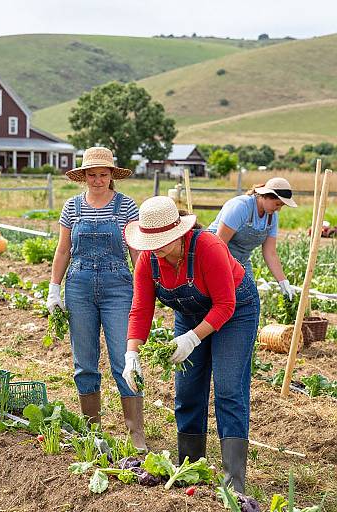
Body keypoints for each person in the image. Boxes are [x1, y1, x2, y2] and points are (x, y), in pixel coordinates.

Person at [122, 196, 260, 493]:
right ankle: (190, 470)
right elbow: (140, 309)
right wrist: (131, 353)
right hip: (190, 315)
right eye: (150, 239)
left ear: (179, 231)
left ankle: (233, 483)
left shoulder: (207, 247)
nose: (156, 245)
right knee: (187, 391)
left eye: (162, 238)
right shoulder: (148, 260)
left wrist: (193, 338)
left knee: (228, 389)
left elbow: (225, 304)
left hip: (236, 310)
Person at [46, 146, 146, 450]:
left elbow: (136, 252)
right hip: (79, 286)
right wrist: (53, 287)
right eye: (92, 174)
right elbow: (63, 250)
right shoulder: (72, 207)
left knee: (123, 358)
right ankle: (92, 430)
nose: (98, 180)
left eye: (103, 175)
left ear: (112, 176)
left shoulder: (127, 207)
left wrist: (145, 293)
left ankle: (136, 432)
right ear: (84, 176)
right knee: (84, 361)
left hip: (118, 286)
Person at [207, 177, 297, 299]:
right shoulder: (241, 207)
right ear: (265, 195)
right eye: (277, 204)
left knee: (250, 299)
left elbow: (270, 252)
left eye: (282, 205)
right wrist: (229, 273)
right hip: (214, 257)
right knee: (220, 300)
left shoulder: (272, 217)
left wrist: (282, 281)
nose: (279, 209)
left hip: (241, 260)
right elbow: (219, 245)